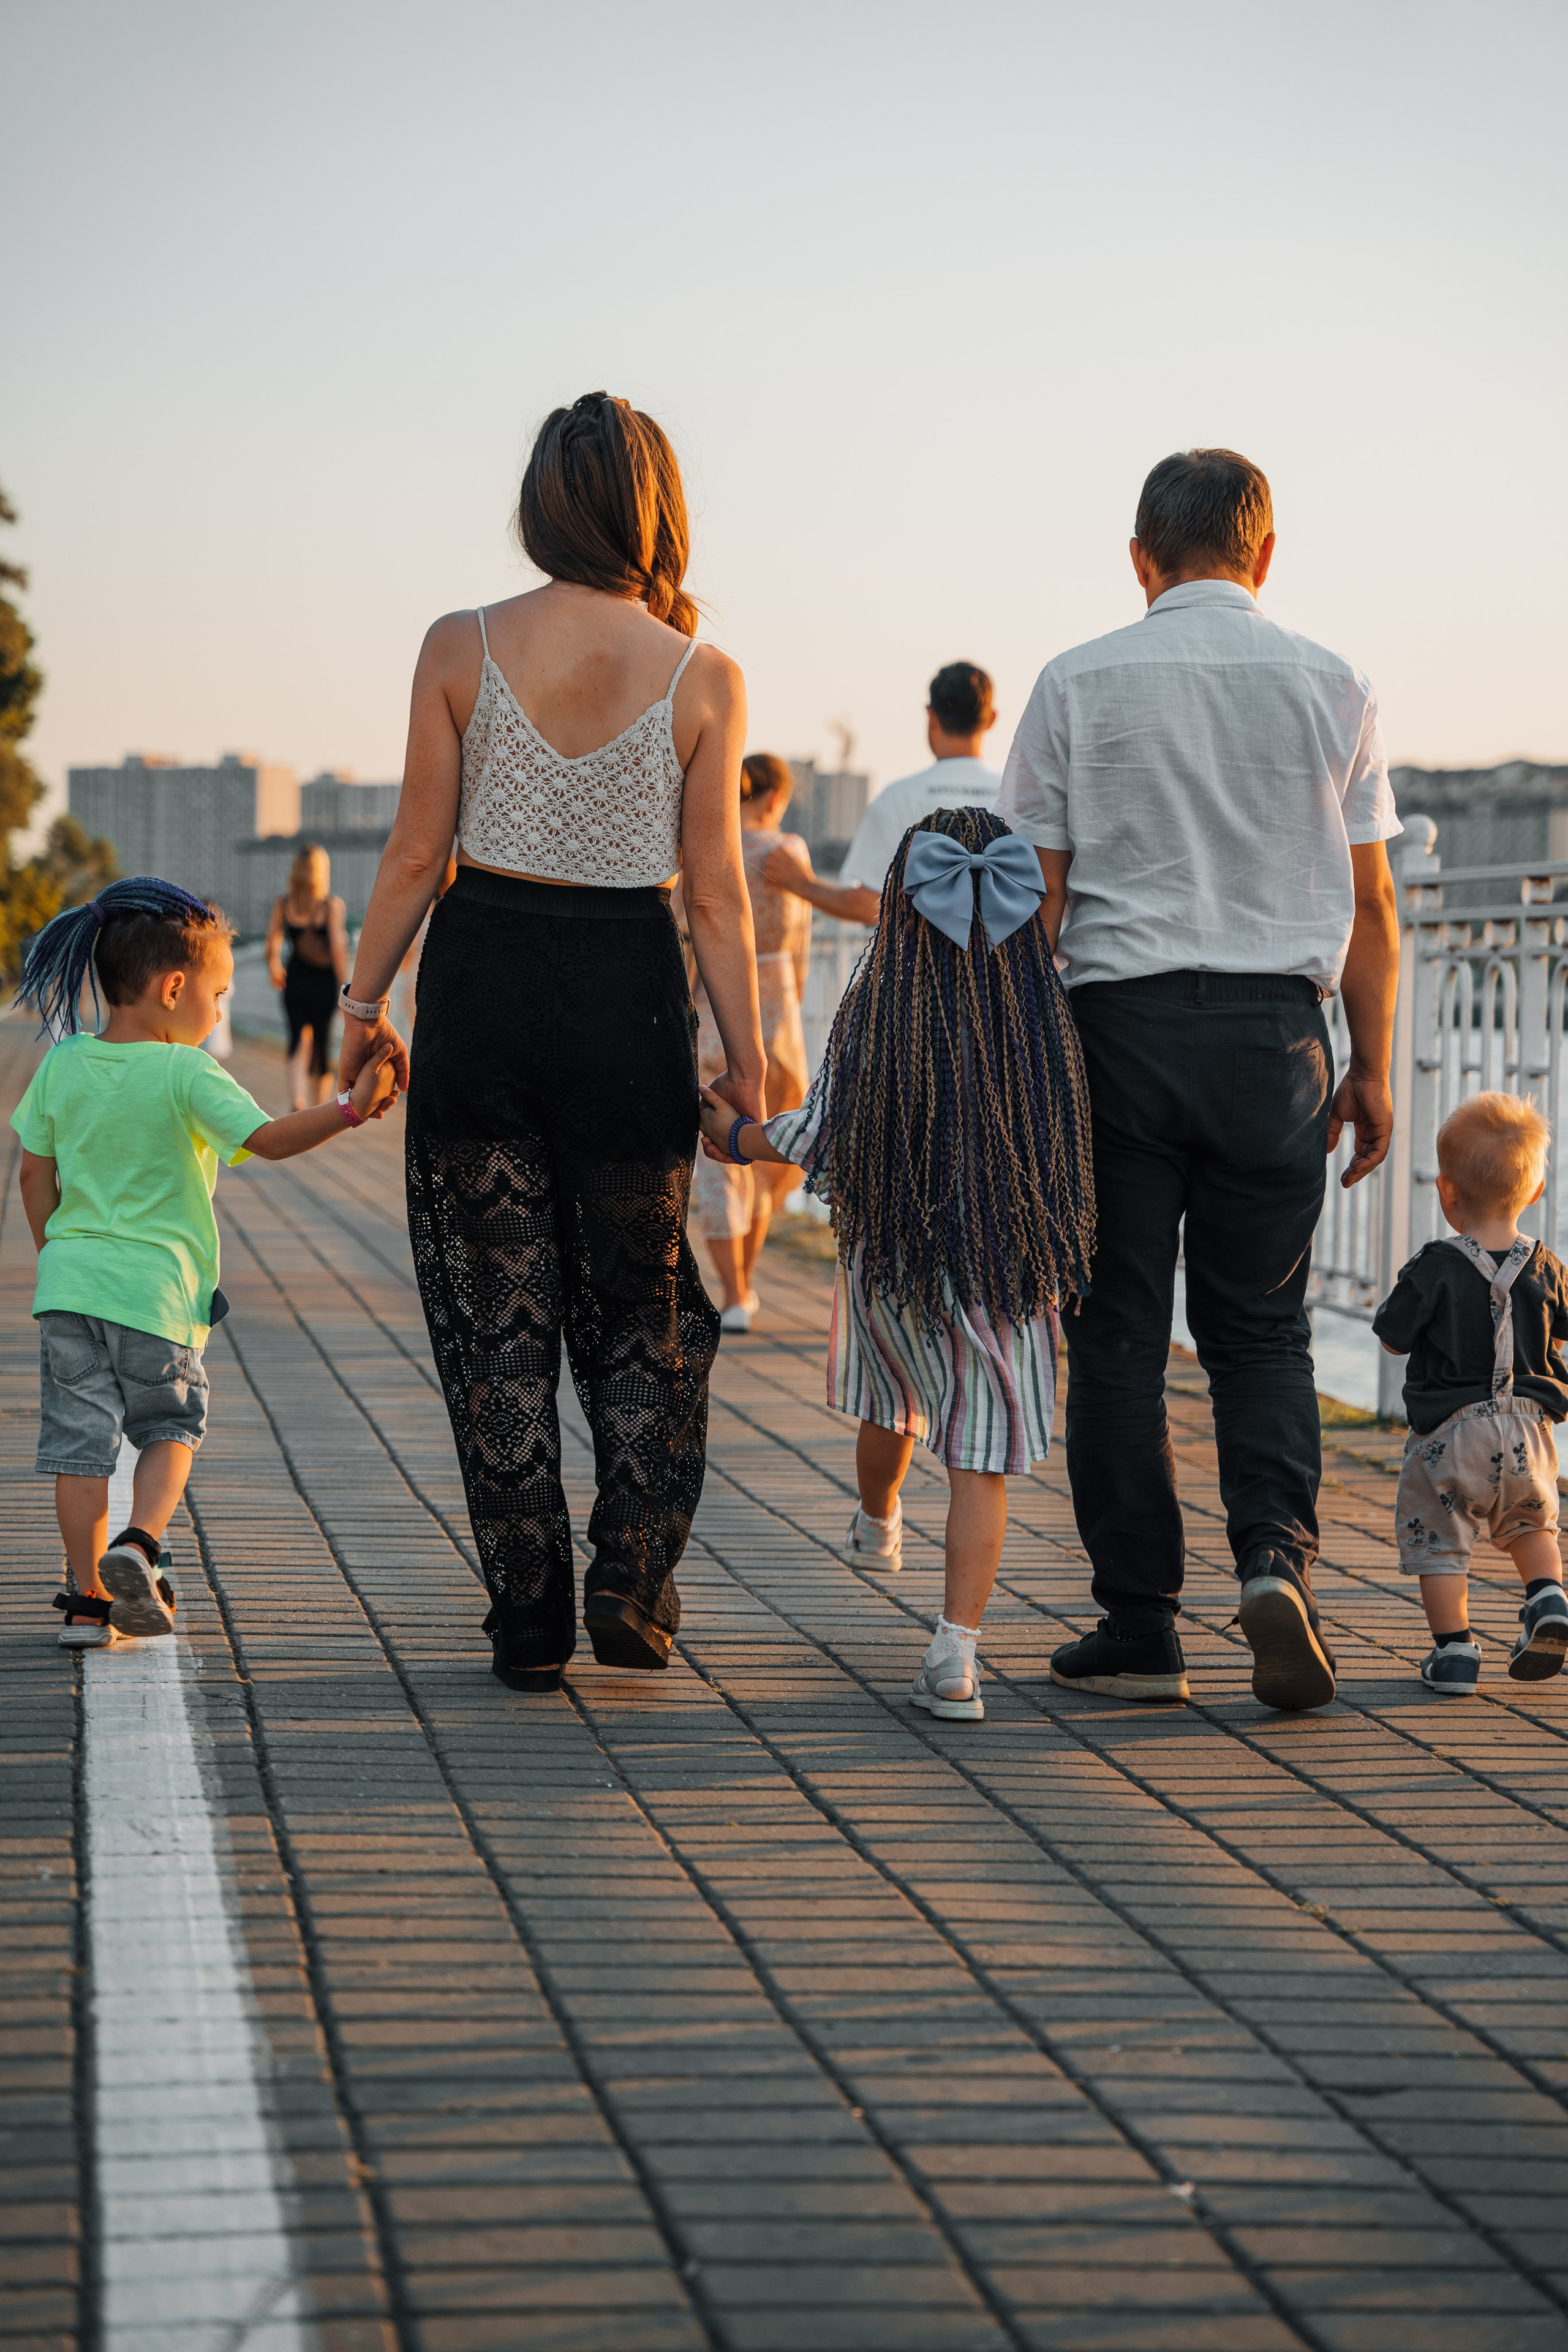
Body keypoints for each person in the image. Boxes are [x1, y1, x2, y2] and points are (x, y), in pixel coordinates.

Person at [333, 392, 766, 1694]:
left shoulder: (458, 643)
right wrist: (743, 1058)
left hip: (485, 987)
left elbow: (418, 852)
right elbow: (716, 891)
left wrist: (361, 1010)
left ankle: (528, 1606)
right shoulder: (704, 675)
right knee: (643, 1301)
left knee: (496, 1303)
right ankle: (630, 1571)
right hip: (626, 992)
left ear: (540, 501)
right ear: (657, 507)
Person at [999, 447, 1402, 1713]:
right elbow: (1375, 906)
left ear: (1139, 557)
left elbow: (1036, 898)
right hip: (1277, 1041)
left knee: (1114, 1331)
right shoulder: (1332, 683)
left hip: (1115, 1034)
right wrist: (1371, 1068)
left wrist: (1015, 1067)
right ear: (1263, 555)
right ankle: (1273, 1559)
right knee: (1260, 1329)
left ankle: (1138, 1625)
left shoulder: (1074, 680)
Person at [698, 805, 1095, 1722]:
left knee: (894, 1399)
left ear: (900, 904)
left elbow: (822, 1131)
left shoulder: (879, 1010)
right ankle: (957, 1653)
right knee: (978, 1457)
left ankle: (878, 1518)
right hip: (1006, 1256)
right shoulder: (1042, 1012)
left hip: (901, 1257)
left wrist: (739, 1135)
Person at [10, 878, 396, 1649]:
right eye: (217, 996)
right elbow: (269, 1139)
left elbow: (31, 1174)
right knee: (169, 1427)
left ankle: (88, 1603)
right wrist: (352, 1108)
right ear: (173, 987)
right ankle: (141, 1545)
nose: (221, 1012)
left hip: (70, 1291)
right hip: (157, 1298)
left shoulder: (63, 1063)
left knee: (80, 1447)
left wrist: (58, 1258)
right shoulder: (186, 1073)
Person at [1373, 1092, 1568, 1695]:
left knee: (1440, 1541)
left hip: (1450, 1436)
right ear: (1534, 1191)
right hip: (1528, 1432)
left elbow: (1393, 1339)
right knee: (1531, 1524)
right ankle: (1547, 1597)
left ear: (1446, 1192)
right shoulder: (1545, 1265)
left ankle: (1454, 1653)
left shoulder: (1433, 1266)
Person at [688, 753, 812, 1332]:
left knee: (716, 1161)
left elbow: (695, 935)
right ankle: (748, 1281)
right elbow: (802, 946)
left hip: (717, 1005)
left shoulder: (709, 851)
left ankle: (734, 1293)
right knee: (771, 1151)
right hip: (776, 1013)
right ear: (773, 798)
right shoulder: (787, 851)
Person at [763, 662, 1002, 925]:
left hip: (919, 966)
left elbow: (869, 905)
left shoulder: (898, 797)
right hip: (1006, 964)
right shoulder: (1013, 794)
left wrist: (803, 884)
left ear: (931, 717)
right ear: (991, 719)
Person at [266, 843, 350, 1108]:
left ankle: (297, 1100)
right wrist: (347, 985)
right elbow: (337, 948)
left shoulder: (284, 904)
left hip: (296, 980)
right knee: (322, 1042)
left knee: (296, 1039)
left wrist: (274, 968)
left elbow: (272, 943)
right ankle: (319, 1107)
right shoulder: (331, 906)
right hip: (324, 983)